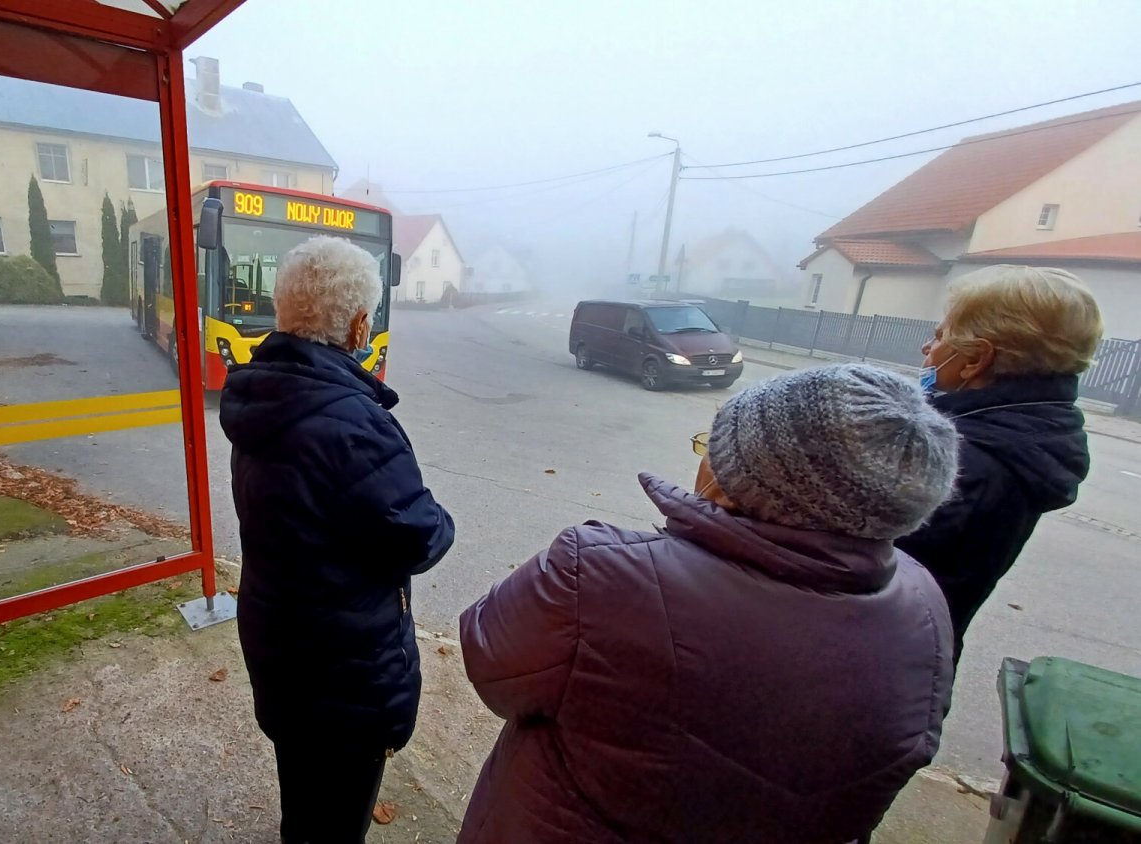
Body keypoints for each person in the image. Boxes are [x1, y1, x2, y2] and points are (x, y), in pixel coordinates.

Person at [458, 364, 958, 844]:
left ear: (735, 482)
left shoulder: (601, 575)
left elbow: (490, 660)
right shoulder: (924, 605)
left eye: (713, 447)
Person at [219, 235, 454, 844]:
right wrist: (444, 520)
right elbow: (416, 537)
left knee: (304, 791)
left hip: (280, 641)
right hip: (342, 668)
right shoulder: (352, 422)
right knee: (335, 818)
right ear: (356, 325)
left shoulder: (263, 394)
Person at [898, 265, 1103, 661]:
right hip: (925, 657)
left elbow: (850, 566)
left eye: (941, 336)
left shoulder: (963, 464)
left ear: (977, 361)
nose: (928, 348)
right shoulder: (1031, 434)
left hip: (885, 664)